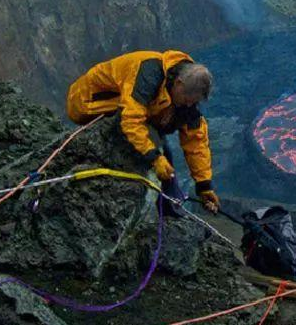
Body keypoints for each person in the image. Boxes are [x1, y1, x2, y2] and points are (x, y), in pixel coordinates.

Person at [66, 50, 219, 213]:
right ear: (179, 83)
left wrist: (204, 185)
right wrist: (154, 157)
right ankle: (166, 204)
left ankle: (169, 205)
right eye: (187, 100)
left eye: (192, 102)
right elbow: (131, 120)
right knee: (155, 143)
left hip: (131, 108)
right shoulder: (148, 73)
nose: (189, 105)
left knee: (162, 147)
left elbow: (195, 142)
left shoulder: (183, 90)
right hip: (89, 103)